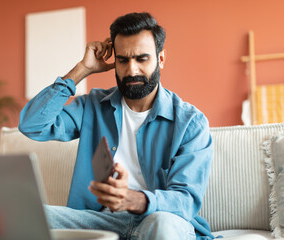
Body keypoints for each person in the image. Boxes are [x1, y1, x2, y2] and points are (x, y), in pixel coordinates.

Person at [19, 12, 214, 240]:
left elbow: (186, 199)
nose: (131, 70)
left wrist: (132, 199)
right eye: (123, 60)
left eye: (142, 59)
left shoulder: (190, 123)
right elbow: (32, 124)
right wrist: (83, 68)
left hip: (158, 219)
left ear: (160, 59)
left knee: (162, 225)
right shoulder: (92, 106)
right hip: (99, 222)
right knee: (30, 215)